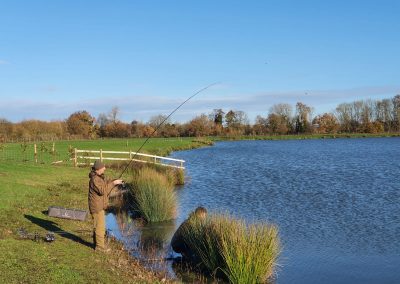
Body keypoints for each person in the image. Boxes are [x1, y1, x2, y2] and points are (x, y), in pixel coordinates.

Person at [88, 160, 123, 252]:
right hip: (96, 207)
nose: (105, 168)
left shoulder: (99, 177)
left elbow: (106, 183)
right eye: (103, 167)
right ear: (98, 168)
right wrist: (114, 184)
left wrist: (115, 181)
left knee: (98, 226)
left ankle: (97, 245)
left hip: (99, 206)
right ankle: (100, 247)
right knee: (100, 227)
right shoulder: (95, 179)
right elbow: (103, 191)